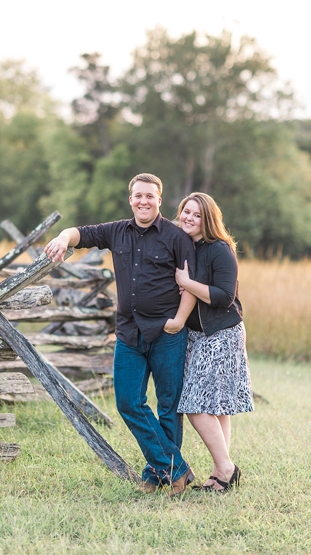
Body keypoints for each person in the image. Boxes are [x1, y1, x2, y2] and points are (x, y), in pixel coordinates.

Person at [44, 173, 197, 496]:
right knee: (128, 401)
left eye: (150, 196)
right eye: (138, 196)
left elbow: (189, 284)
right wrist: (61, 238)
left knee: (168, 406)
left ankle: (157, 475)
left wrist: (179, 321)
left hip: (167, 332)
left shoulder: (176, 236)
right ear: (131, 200)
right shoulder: (116, 231)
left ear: (159, 199)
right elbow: (80, 233)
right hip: (129, 333)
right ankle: (174, 468)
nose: (144, 201)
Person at [172, 192, 254, 492]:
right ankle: (222, 475)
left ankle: (226, 468)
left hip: (221, 334)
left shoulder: (220, 249)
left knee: (194, 404)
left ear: (208, 219)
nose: (189, 218)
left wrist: (187, 283)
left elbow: (224, 296)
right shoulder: (183, 246)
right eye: (185, 212)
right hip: (196, 336)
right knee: (217, 407)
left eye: (196, 214)